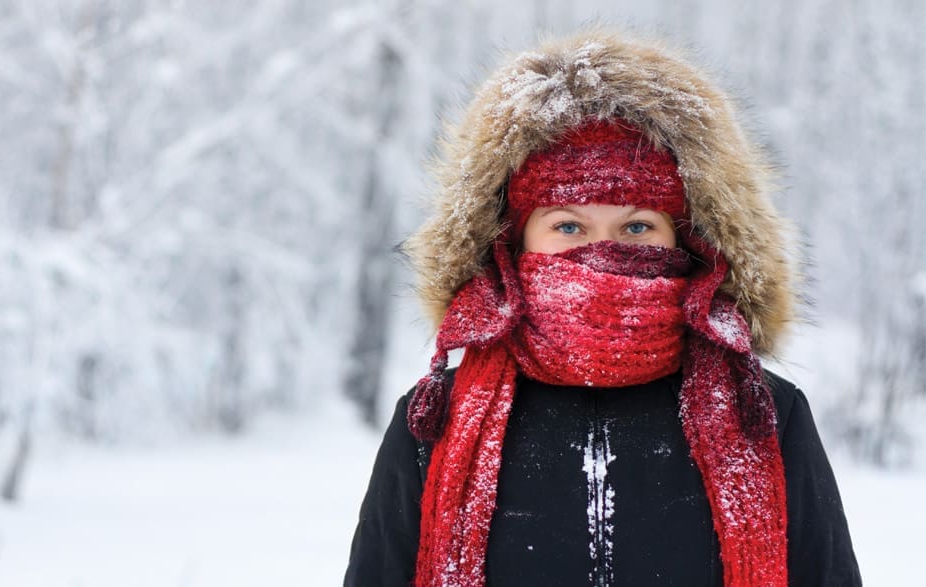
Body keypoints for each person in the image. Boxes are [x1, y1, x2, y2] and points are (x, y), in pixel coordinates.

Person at [344, 27, 861, 586]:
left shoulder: (762, 414)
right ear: (513, 244)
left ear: (685, 240)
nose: (602, 251)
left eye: (637, 225)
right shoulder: (435, 421)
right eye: (568, 225)